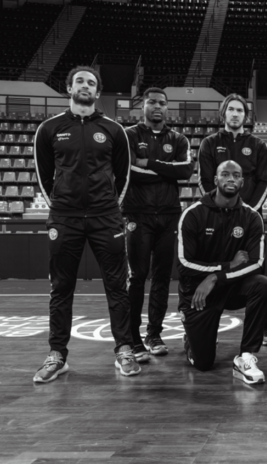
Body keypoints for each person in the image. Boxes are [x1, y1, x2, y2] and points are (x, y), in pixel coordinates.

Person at [33, 65, 139, 382]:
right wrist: (61, 205)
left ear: (97, 91)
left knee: (117, 286)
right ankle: (57, 355)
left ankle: (124, 349)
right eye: (79, 80)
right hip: (65, 218)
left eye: (91, 82)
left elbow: (123, 176)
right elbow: (44, 175)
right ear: (69, 88)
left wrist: (110, 207)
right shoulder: (49, 129)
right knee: (61, 288)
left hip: (106, 217)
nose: (85, 85)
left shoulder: (114, 130)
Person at [177, 160, 267, 384]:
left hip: (229, 287)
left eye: (236, 175)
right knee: (203, 364)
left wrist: (215, 277)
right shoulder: (193, 214)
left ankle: (246, 356)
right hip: (199, 292)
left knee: (261, 284)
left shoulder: (251, 216)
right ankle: (192, 339)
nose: (231, 179)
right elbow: (184, 264)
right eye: (225, 174)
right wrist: (227, 265)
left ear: (242, 182)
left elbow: (256, 263)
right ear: (215, 179)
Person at [122, 87, 193, 362]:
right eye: (151, 102)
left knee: (162, 277)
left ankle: (154, 334)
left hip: (168, 215)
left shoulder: (179, 139)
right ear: (143, 106)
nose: (157, 106)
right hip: (137, 214)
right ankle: (133, 338)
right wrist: (166, 170)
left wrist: (149, 163)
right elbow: (129, 171)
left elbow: (185, 170)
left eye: (162, 103)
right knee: (137, 277)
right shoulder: (129, 135)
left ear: (167, 108)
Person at [197, 93, 267, 345]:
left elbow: (264, 182)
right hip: (217, 219)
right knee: (215, 267)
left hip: (250, 219)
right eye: (231, 109)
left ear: (245, 116)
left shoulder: (258, 144)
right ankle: (205, 323)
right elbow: (205, 181)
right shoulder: (209, 143)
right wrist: (218, 209)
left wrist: (248, 212)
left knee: (257, 272)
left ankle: (262, 328)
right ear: (223, 113)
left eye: (240, 110)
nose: (235, 114)